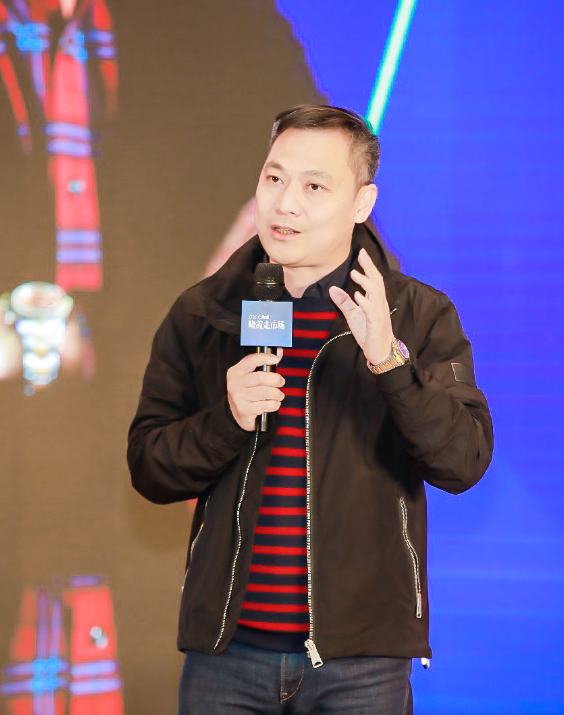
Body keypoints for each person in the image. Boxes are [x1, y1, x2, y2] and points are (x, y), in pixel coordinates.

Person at [127, 105, 494, 714]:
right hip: (227, 657)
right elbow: (149, 466)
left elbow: (463, 461)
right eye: (274, 178)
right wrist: (226, 419)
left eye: (314, 187)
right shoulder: (203, 313)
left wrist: (390, 363)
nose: (285, 203)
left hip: (362, 662)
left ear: (362, 203)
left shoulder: (416, 315)